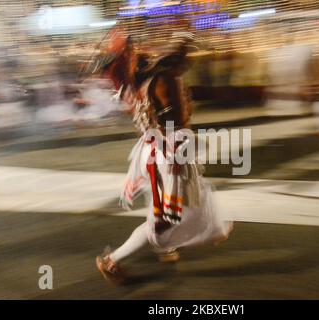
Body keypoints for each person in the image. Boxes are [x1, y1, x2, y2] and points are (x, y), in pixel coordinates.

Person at [89, 28, 232, 285]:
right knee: (165, 221)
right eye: (188, 56)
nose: (191, 61)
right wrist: (177, 162)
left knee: (184, 205)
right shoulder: (163, 80)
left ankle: (166, 246)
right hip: (166, 156)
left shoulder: (141, 83)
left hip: (158, 153)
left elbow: (155, 123)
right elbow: (172, 129)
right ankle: (112, 261)